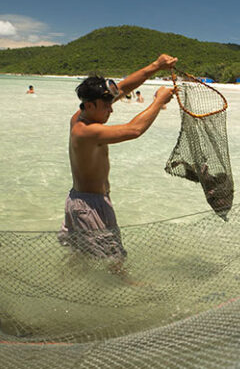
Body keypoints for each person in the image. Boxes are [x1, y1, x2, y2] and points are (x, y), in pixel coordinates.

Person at [58, 54, 177, 276]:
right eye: (106, 106)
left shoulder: (83, 114)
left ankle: (70, 280)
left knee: (81, 255)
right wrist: (159, 101)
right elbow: (134, 130)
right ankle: (121, 288)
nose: (111, 110)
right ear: (91, 104)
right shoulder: (85, 131)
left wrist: (156, 66)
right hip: (90, 205)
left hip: (80, 199)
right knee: (113, 257)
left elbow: (123, 87)